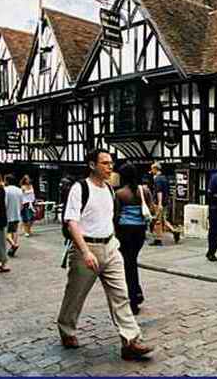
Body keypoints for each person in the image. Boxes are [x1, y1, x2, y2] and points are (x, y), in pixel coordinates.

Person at [57, 149, 153, 360]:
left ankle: (130, 340)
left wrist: (114, 242)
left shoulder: (110, 189)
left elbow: (109, 218)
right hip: (86, 248)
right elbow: (71, 222)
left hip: (110, 247)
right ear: (92, 165)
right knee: (75, 295)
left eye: (111, 163)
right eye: (105, 163)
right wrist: (85, 252)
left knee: (121, 295)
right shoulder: (80, 188)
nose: (110, 167)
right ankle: (67, 329)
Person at [115, 163, 153, 315]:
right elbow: (150, 209)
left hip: (125, 231)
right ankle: (136, 293)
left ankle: (133, 298)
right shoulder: (144, 190)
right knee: (131, 261)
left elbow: (116, 215)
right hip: (139, 231)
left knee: (128, 265)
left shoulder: (119, 193)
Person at [148, 162, 180, 246]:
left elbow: (159, 191)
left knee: (158, 221)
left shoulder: (157, 179)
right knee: (163, 219)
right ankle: (175, 231)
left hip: (159, 202)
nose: (152, 171)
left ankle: (158, 239)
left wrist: (159, 203)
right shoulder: (164, 178)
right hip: (166, 201)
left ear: (155, 169)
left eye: (152, 169)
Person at [4, 174, 23, 257]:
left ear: (7, 181)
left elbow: (5, 203)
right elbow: (21, 203)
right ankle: (13, 246)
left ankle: (13, 244)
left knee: (5, 232)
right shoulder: (19, 190)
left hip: (8, 214)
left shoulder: (6, 190)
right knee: (14, 231)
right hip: (17, 213)